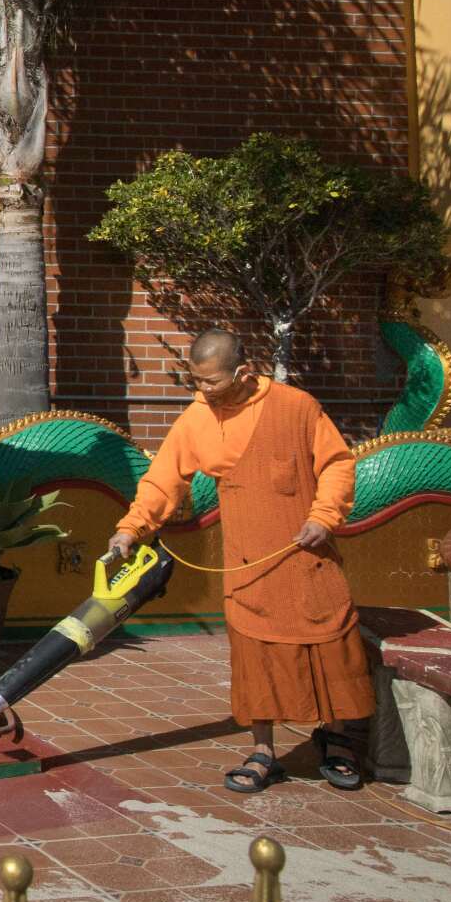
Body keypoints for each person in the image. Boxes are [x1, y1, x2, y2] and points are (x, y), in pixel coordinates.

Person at [106, 329, 370, 794]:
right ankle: (264, 750)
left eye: (211, 382)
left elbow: (337, 464)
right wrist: (131, 528)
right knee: (255, 658)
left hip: (307, 554)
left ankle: (339, 739)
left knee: (330, 645)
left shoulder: (296, 406)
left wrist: (324, 516)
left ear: (244, 372)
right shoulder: (196, 419)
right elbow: (163, 480)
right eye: (197, 381)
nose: (202, 391)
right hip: (247, 563)